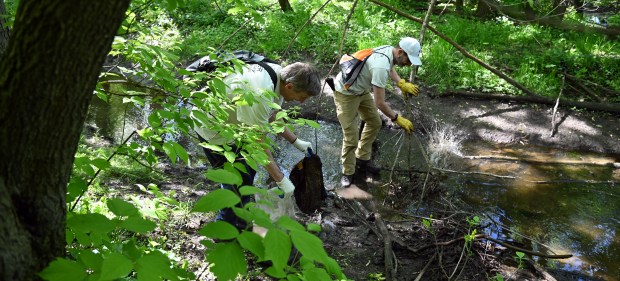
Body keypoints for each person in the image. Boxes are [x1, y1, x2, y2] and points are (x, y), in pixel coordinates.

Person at [193, 59, 321, 231]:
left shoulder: (277, 76)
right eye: (303, 97)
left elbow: (272, 116)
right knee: (235, 182)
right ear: (290, 86)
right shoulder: (260, 93)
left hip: (236, 128)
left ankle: (239, 220)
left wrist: (295, 141)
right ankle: (226, 230)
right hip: (213, 130)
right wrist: (280, 179)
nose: (302, 102)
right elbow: (257, 143)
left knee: (247, 173)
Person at [333, 37, 422, 187]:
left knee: (375, 122)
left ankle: (362, 158)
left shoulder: (389, 51)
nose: (409, 64)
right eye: (408, 60)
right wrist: (397, 118)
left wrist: (400, 82)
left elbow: (390, 67)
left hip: (360, 89)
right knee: (351, 136)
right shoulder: (380, 67)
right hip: (345, 93)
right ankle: (348, 172)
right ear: (400, 52)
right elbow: (379, 103)